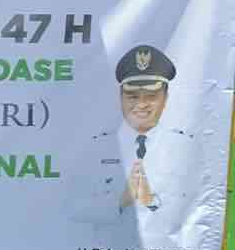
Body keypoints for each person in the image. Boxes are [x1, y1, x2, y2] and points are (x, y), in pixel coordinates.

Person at [73, 44, 195, 231]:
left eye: (151, 96)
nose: (141, 104)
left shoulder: (186, 147)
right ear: (120, 97)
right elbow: (73, 209)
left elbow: (199, 212)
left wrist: (151, 202)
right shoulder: (96, 147)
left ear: (166, 97)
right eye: (132, 96)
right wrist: (120, 202)